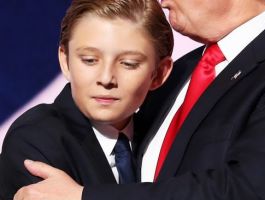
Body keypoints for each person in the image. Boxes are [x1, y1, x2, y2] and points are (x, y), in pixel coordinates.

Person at [13, 0, 265, 199]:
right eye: (89, 59)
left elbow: (257, 190)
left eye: (129, 63)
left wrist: (84, 197)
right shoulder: (186, 69)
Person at [0, 0, 173, 199]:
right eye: (90, 60)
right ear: (65, 61)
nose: (106, 78)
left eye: (128, 63)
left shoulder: (167, 135)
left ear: (159, 73)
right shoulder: (35, 138)